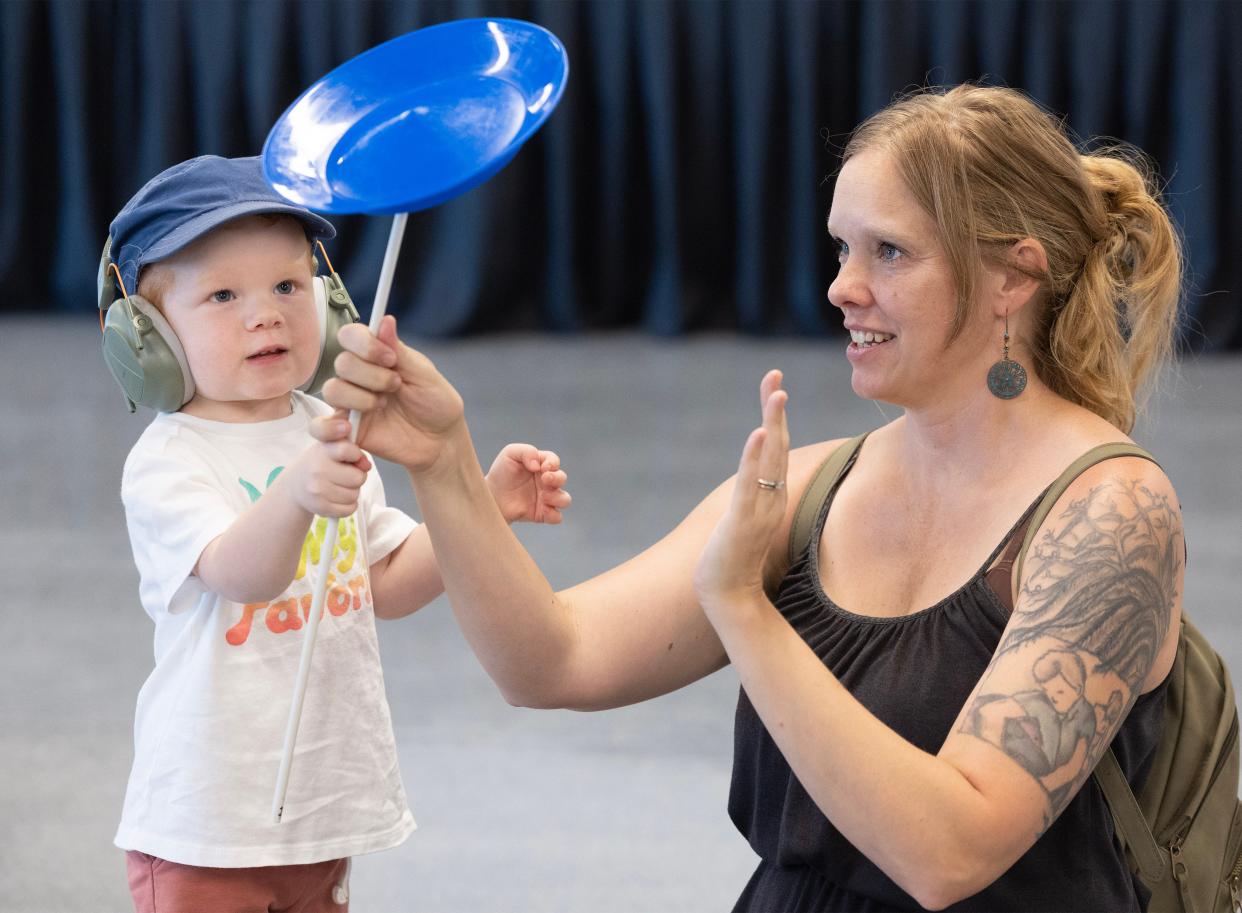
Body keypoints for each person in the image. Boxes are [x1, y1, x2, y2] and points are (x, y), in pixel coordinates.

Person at [315, 85, 1184, 911]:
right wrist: (444, 464)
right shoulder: (814, 488)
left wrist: (741, 606)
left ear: (1014, 279)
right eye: (843, 247)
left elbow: (946, 853)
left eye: (889, 251)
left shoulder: (1113, 514)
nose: (843, 286)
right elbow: (552, 660)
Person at [105, 156, 571, 912]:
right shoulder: (169, 459)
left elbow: (383, 581)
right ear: (147, 337)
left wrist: (481, 504)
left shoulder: (328, 428)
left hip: (321, 809)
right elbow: (236, 571)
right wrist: (297, 492)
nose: (266, 314)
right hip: (209, 822)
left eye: (289, 286)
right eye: (223, 295)